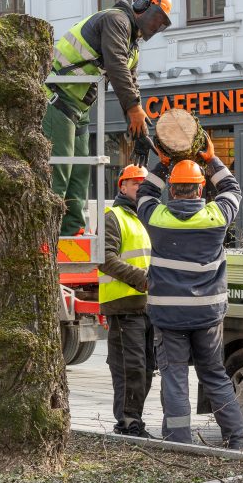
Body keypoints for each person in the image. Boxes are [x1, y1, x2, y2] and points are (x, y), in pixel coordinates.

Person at [135, 136, 243, 449]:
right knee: (214, 374)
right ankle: (236, 441)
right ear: (200, 189)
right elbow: (232, 190)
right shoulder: (215, 217)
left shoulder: (158, 219)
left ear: (172, 190)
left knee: (175, 378)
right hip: (208, 314)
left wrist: (163, 163)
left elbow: (144, 193)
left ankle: (179, 444)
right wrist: (213, 161)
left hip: (169, 315)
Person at [43, 0, 173, 235]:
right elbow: (116, 66)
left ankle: (72, 230)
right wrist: (134, 110)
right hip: (57, 98)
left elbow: (131, 82)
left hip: (78, 107)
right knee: (60, 169)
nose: (156, 26)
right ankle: (48, 234)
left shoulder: (132, 44)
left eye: (161, 23)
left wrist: (139, 129)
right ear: (142, 5)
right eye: (156, 18)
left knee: (80, 170)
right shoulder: (116, 20)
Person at [98, 164, 154, 438]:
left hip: (146, 306)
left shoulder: (147, 216)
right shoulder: (114, 216)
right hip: (124, 305)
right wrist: (141, 279)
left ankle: (134, 422)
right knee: (130, 369)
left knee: (144, 369)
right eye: (135, 184)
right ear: (122, 187)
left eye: (144, 184)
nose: (140, 189)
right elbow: (105, 259)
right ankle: (128, 424)